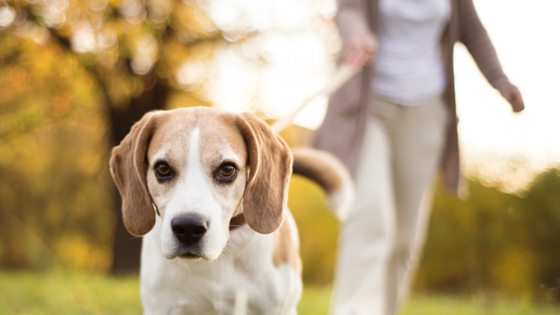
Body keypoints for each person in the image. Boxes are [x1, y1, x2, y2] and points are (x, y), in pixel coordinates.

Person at [312, 0, 525, 314]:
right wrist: (357, 35)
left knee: (404, 236)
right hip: (369, 107)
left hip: (425, 113)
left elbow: (474, 33)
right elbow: (348, 10)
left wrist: (501, 81)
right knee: (370, 215)